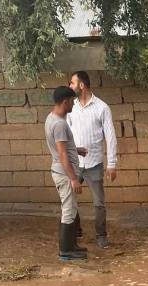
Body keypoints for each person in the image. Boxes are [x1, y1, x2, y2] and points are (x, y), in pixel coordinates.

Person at [66, 70, 118, 248]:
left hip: (94, 163)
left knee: (99, 203)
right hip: (75, 163)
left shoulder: (102, 108)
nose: (70, 86)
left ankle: (101, 235)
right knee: (69, 196)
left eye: (72, 83)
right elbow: (66, 132)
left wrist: (112, 164)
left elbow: (110, 137)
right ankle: (77, 229)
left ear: (81, 85)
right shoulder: (70, 107)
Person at [45, 86, 88, 261]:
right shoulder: (60, 124)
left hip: (60, 170)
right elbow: (62, 154)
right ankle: (65, 251)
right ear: (65, 102)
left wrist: (75, 149)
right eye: (72, 101)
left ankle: (71, 246)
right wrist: (73, 179)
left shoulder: (51, 118)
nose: (73, 104)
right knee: (68, 210)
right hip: (64, 174)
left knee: (71, 208)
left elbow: (61, 148)